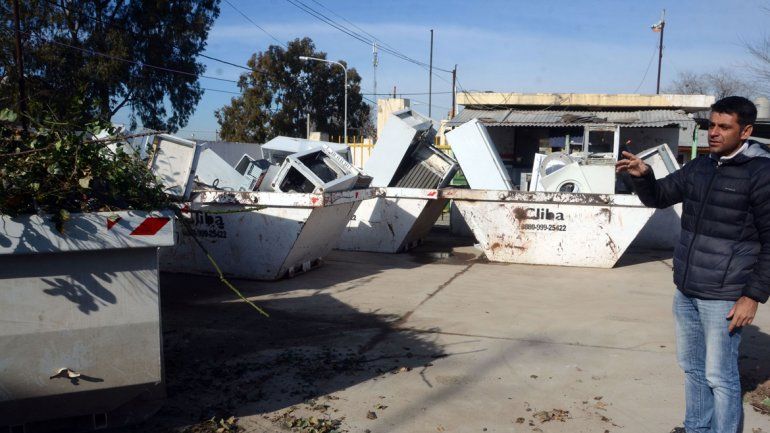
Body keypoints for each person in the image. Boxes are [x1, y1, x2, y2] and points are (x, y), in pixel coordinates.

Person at [615, 96, 770, 433]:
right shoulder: (699, 167)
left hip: (725, 295)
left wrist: (753, 296)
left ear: (745, 131)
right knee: (693, 368)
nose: (714, 133)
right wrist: (643, 176)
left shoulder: (761, 173)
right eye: (711, 125)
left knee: (720, 376)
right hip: (686, 290)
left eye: (723, 127)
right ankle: (696, 428)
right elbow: (659, 197)